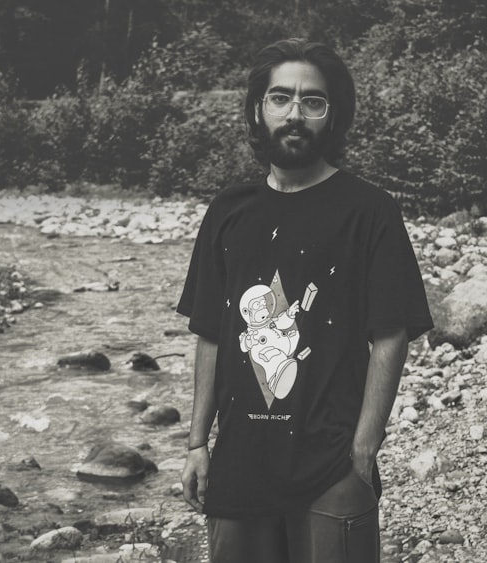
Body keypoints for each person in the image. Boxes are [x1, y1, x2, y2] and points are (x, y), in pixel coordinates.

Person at [177, 38, 433, 563]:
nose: (295, 113)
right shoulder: (228, 211)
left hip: (332, 465)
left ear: (333, 116)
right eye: (280, 98)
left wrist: (364, 450)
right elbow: (209, 333)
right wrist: (198, 443)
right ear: (258, 109)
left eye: (313, 101)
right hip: (239, 466)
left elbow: (391, 335)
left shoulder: (370, 211)